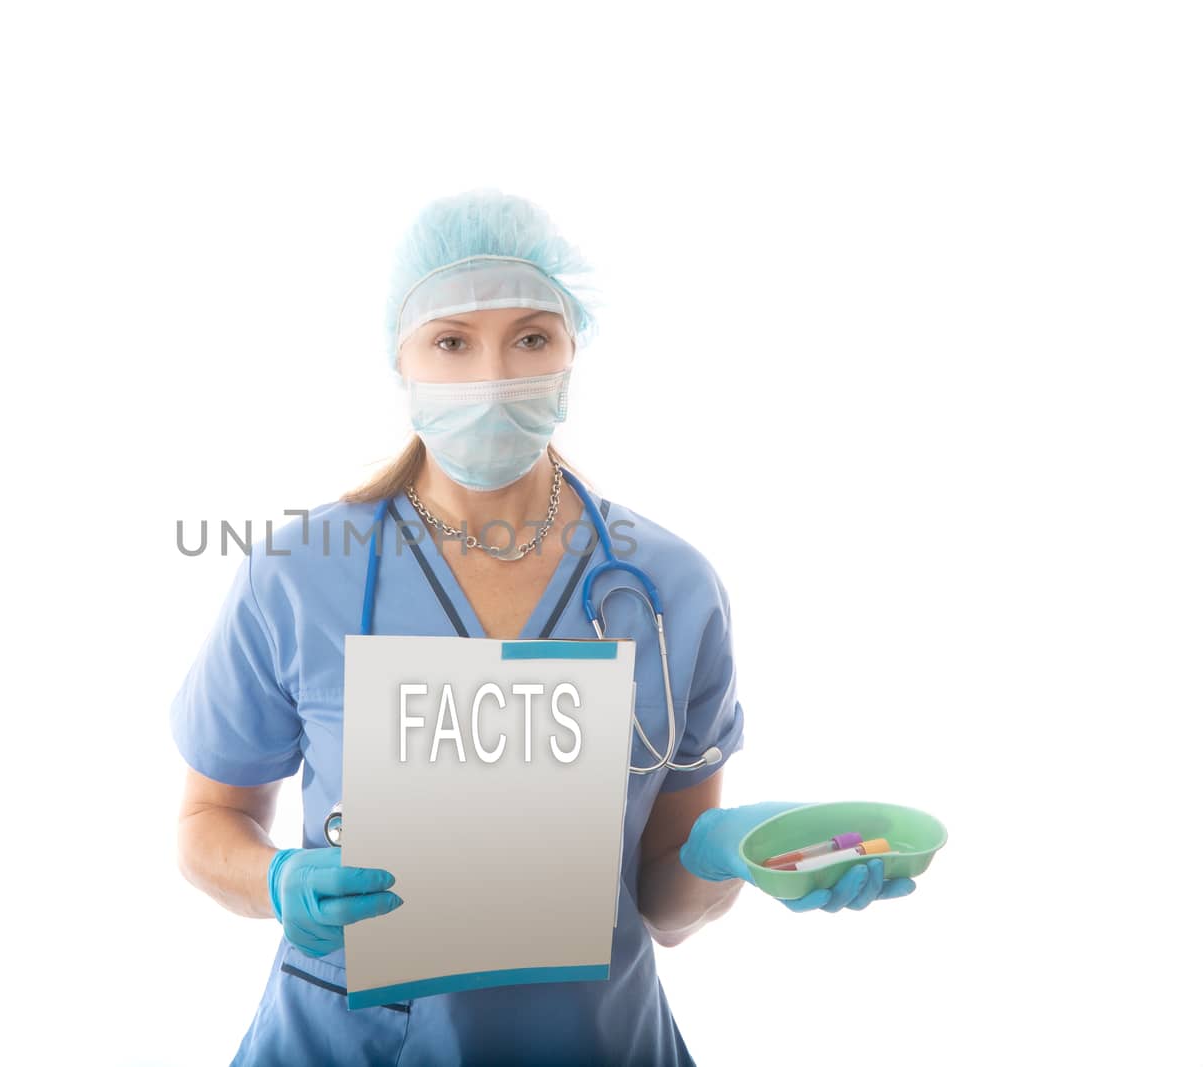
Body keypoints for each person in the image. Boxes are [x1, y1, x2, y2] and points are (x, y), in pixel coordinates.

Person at [170, 188, 915, 1066]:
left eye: (531, 337)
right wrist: (276, 879)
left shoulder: (669, 585)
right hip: (345, 1042)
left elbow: (665, 906)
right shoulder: (298, 573)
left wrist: (728, 853)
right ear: (400, 359)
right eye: (452, 341)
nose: (493, 374)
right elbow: (207, 820)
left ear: (571, 352)